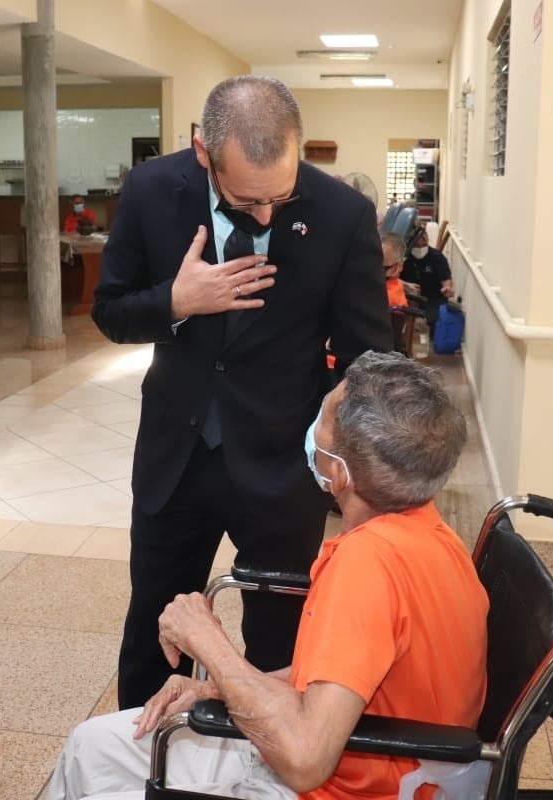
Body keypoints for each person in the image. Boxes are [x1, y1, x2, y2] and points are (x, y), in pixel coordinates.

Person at [47, 351, 487, 800]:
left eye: (326, 415)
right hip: (353, 745)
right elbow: (344, 679)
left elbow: (305, 761)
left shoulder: (367, 566)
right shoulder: (431, 535)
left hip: (340, 785)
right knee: (91, 744)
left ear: (341, 471)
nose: (315, 425)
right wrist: (215, 687)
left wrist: (210, 645)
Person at [92, 75, 391, 709]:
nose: (263, 215)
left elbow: (366, 357)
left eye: (279, 199)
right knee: (156, 621)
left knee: (279, 639)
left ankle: (266, 767)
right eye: (247, 199)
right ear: (204, 151)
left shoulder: (343, 214)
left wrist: (336, 455)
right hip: (176, 455)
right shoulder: (150, 191)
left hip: (284, 463)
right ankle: (143, 757)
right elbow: (111, 311)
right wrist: (176, 302)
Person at [399, 227, 453, 335]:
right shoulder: (404, 258)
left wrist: (447, 288)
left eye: (423, 246)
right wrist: (406, 285)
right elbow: (393, 278)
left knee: (432, 320)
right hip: (410, 297)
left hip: (433, 298)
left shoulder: (437, 257)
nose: (420, 249)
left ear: (428, 241)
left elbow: (446, 279)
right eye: (417, 246)